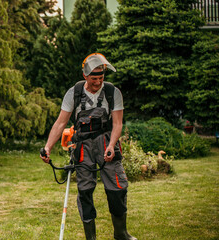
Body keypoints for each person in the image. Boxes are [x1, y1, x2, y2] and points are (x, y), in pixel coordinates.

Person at [40, 53, 137, 240]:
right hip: (83, 146)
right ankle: (90, 238)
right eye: (94, 79)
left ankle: (121, 233)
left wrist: (111, 145)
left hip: (106, 142)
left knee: (118, 188)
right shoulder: (74, 93)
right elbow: (61, 123)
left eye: (101, 78)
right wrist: (48, 147)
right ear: (85, 76)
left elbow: (117, 124)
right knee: (84, 191)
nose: (98, 82)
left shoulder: (112, 92)